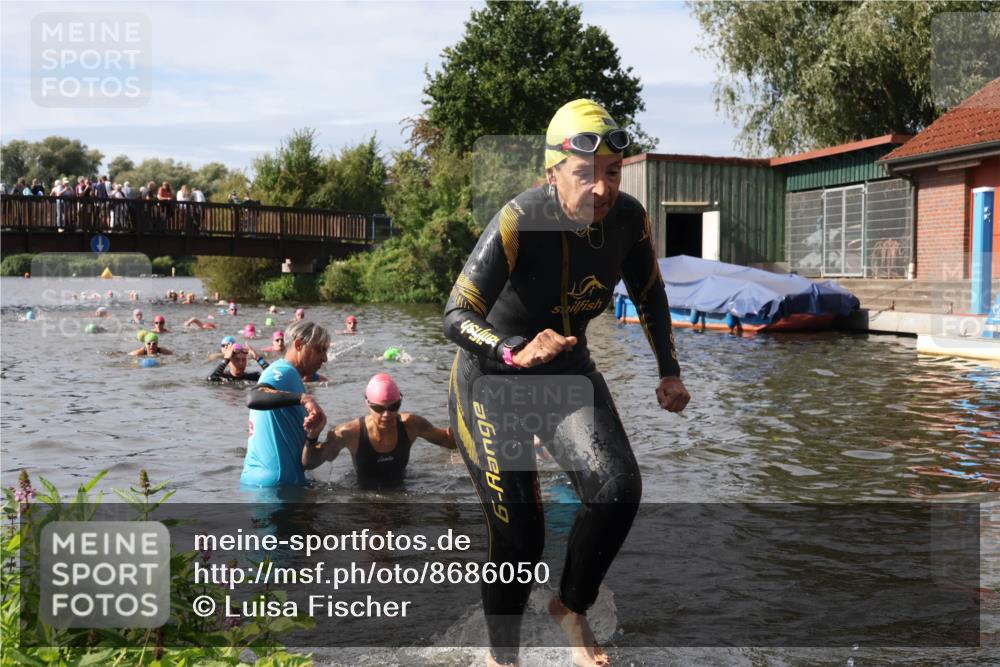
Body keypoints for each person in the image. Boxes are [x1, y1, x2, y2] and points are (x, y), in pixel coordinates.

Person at [442, 99, 690, 667]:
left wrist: (669, 371)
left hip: (564, 371)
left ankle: (571, 608)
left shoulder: (628, 219)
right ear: (552, 174)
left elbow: (650, 291)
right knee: (520, 541)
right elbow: (455, 315)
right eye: (585, 174)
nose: (600, 189)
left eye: (611, 173)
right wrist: (513, 349)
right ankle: (502, 659)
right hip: (492, 381)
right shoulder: (517, 220)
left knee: (618, 490)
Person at [302, 373, 455, 489]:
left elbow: (449, 441)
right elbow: (310, 463)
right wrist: (313, 436)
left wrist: (462, 413)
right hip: (364, 496)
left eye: (393, 407)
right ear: (368, 404)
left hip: (402, 490)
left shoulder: (412, 425)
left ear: (400, 402)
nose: (387, 415)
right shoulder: (349, 433)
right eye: (379, 408)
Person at [241, 321, 330, 488]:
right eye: (320, 350)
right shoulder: (283, 371)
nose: (324, 358)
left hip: (269, 483)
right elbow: (254, 396)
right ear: (298, 345)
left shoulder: (293, 377)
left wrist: (313, 435)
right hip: (277, 487)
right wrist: (304, 398)